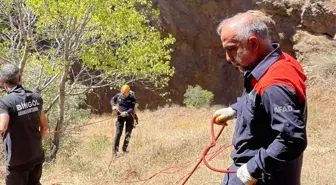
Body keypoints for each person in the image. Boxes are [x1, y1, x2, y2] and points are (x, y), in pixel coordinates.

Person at [213, 12, 307, 185]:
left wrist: (252, 169)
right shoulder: (276, 62)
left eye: (232, 48)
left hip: (263, 176)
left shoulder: (275, 83)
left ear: (253, 43)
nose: (228, 58)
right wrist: (236, 109)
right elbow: (259, 96)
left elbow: (292, 139)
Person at [0, 63, 48, 185]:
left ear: (2, 80)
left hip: (17, 162)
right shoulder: (36, 97)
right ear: (20, 78)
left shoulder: (5, 103)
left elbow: (2, 127)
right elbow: (44, 126)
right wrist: (36, 142)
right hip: (36, 156)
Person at [110, 84, 137, 156]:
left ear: (128, 92)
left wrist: (127, 112)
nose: (123, 95)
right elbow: (112, 100)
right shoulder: (118, 96)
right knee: (118, 133)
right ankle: (114, 152)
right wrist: (113, 106)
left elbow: (131, 108)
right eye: (122, 93)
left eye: (125, 93)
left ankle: (124, 149)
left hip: (129, 117)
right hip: (120, 117)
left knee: (128, 134)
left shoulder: (132, 98)